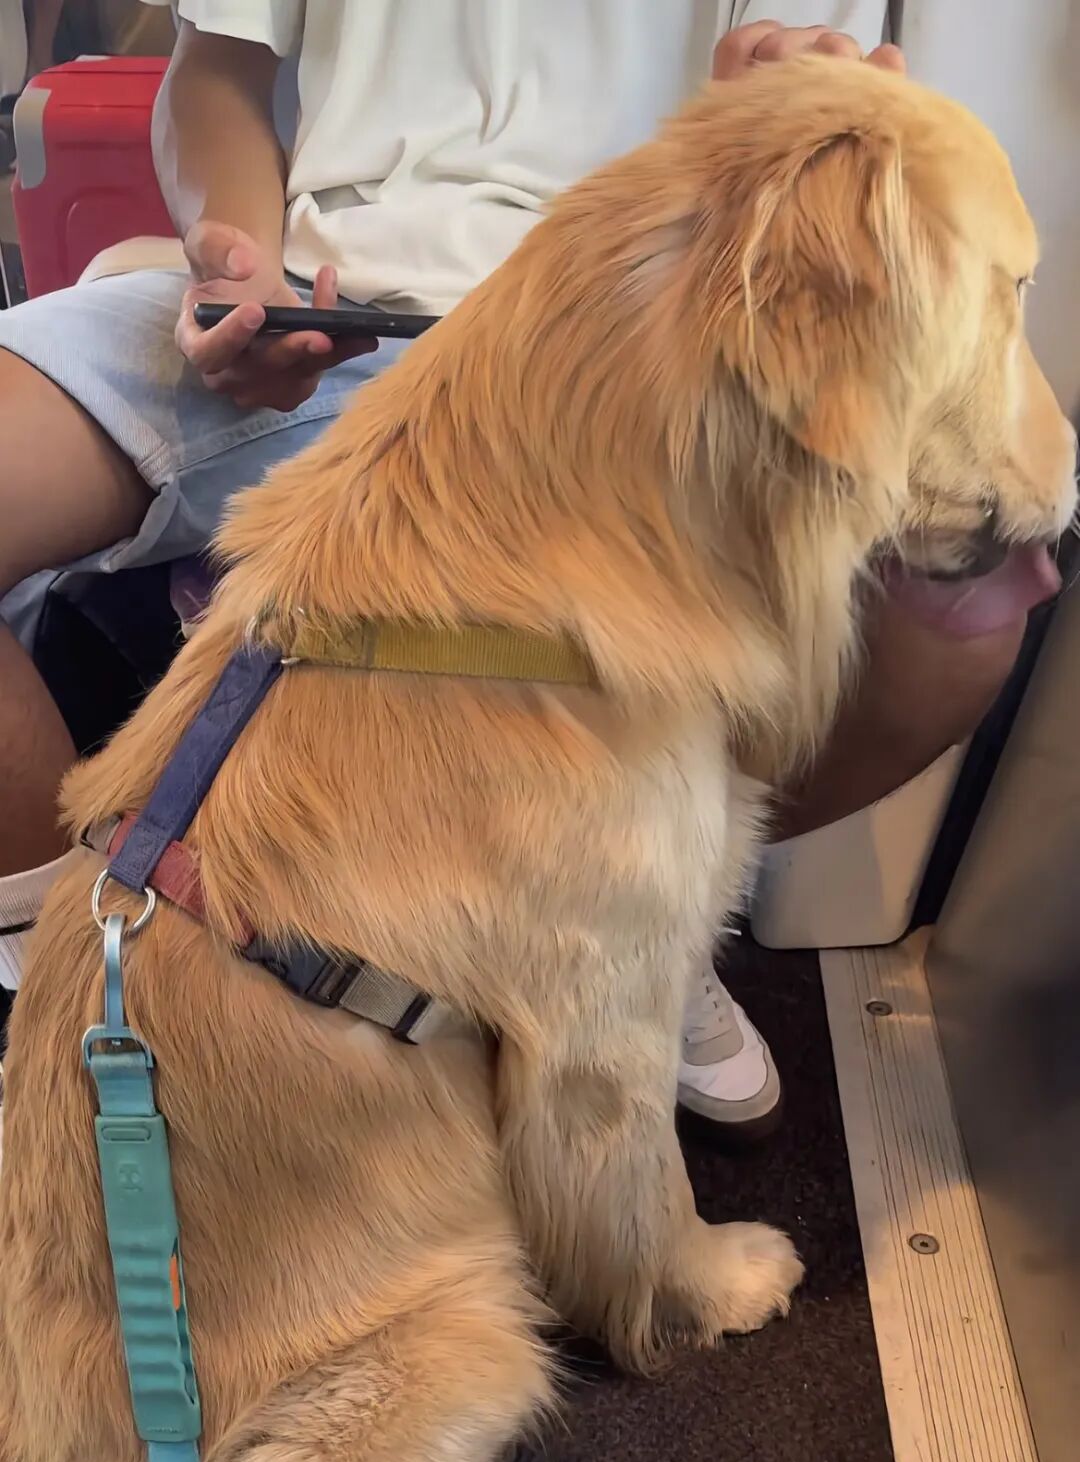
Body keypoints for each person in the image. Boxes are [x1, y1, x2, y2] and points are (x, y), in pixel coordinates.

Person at [0, 5, 1055, 1136]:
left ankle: (645, 925)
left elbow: (789, 131)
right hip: (326, 308)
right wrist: (238, 254)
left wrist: (769, 123)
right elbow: (212, 71)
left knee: (969, 621)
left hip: (630, 329)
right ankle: (64, 952)